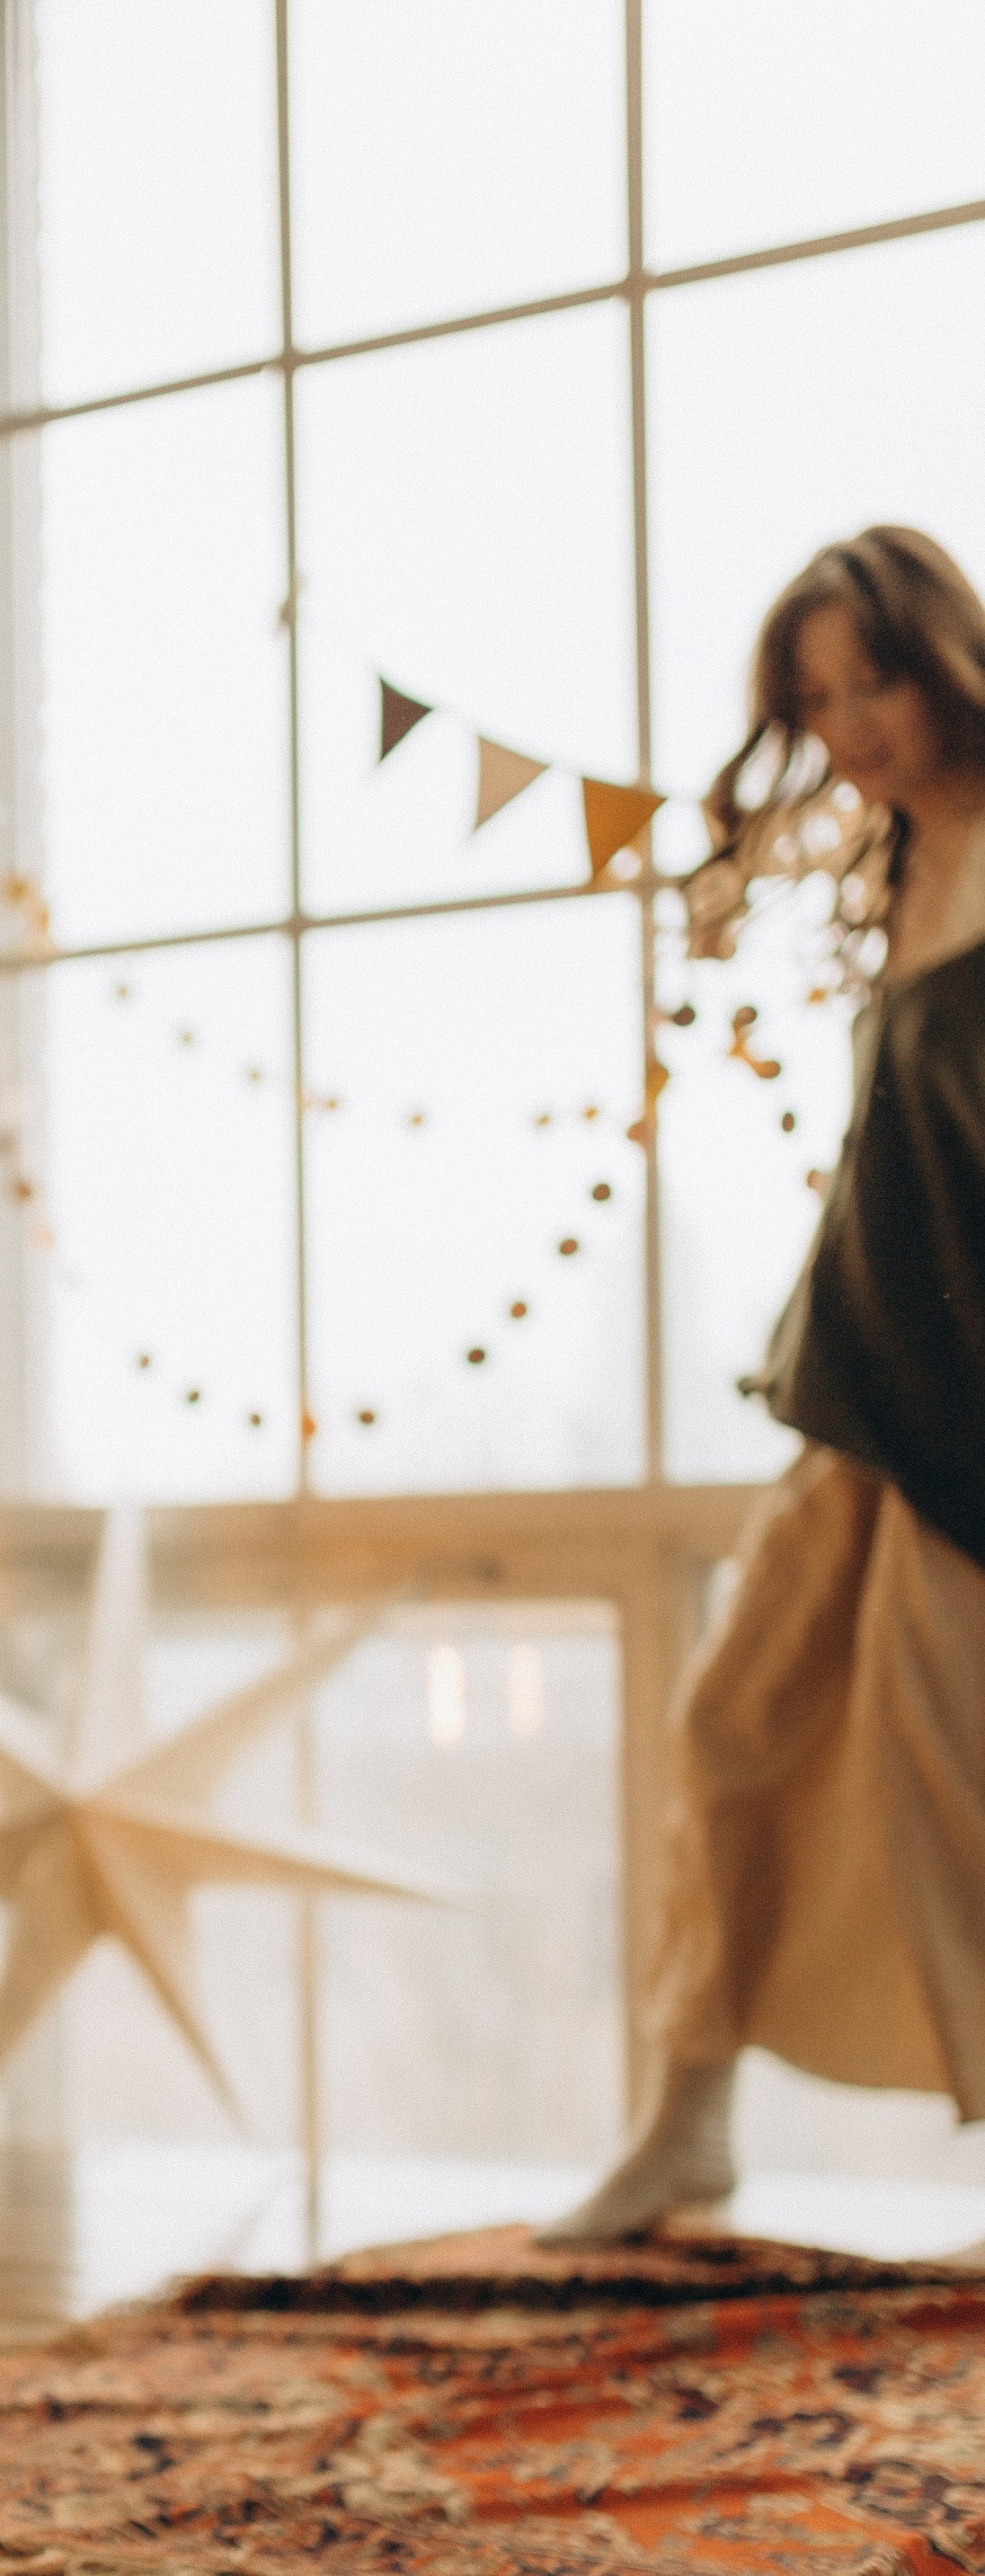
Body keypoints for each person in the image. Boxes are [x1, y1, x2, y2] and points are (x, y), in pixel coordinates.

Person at [547, 525, 985, 2243]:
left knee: (948, 1765)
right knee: (728, 1721)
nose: (851, 721)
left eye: (868, 674)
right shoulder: (894, 868)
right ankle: (688, 2118)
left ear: (939, 649)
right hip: (862, 1384)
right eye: (816, 697)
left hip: (963, 1408)